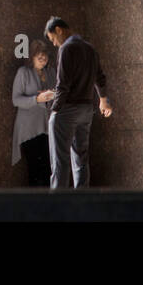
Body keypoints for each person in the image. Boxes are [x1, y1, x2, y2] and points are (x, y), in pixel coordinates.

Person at [45, 17, 112, 189]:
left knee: (60, 161)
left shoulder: (66, 49)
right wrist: (103, 101)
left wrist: (54, 110)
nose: (54, 44)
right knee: (81, 159)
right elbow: (100, 77)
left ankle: (57, 208)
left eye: (52, 38)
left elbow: (63, 84)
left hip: (67, 109)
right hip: (86, 109)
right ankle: (82, 203)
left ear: (59, 30)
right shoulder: (90, 48)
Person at [11, 39, 56, 186]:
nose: (43, 60)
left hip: (47, 128)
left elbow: (58, 92)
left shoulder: (50, 73)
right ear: (32, 57)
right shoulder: (23, 73)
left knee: (49, 168)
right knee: (35, 169)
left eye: (45, 57)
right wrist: (36, 99)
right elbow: (16, 100)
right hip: (29, 129)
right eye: (39, 57)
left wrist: (52, 95)